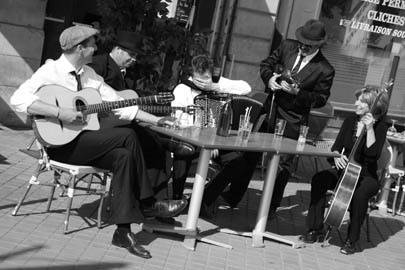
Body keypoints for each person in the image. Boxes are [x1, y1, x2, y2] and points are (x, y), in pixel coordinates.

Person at [9, 25, 187, 259]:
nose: (96, 49)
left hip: (86, 141)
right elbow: (18, 99)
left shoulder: (90, 76)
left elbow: (121, 106)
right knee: (127, 136)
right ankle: (148, 202)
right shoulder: (50, 71)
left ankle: (122, 232)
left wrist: (157, 120)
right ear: (80, 48)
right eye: (92, 45)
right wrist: (60, 113)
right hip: (61, 146)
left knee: (123, 156)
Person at [201, 19, 335, 214]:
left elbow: (321, 99)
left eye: (308, 45)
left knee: (282, 165)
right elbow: (266, 64)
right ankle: (232, 195)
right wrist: (270, 78)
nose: (303, 47)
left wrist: (298, 93)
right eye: (302, 43)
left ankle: (270, 208)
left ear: (318, 45)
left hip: (293, 120)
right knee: (248, 154)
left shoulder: (325, 68)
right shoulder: (288, 46)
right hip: (270, 110)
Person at [300, 86, 389, 255]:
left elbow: (372, 155)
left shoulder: (380, 127)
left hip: (366, 176)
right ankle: (315, 228)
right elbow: (335, 148)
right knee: (319, 179)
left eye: (361, 101)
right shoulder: (350, 121)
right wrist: (335, 157)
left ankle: (351, 240)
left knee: (360, 195)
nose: (356, 103)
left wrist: (369, 129)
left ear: (372, 105)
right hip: (344, 171)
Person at [88, 31, 171, 204]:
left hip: (119, 123)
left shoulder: (126, 73)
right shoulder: (98, 64)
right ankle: (153, 202)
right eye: (131, 54)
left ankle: (157, 199)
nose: (134, 59)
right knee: (152, 143)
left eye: (136, 56)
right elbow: (90, 97)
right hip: (98, 127)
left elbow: (126, 103)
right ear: (118, 49)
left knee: (156, 142)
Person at [170, 54, 251, 200]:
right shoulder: (183, 89)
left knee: (238, 162)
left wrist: (215, 86)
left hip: (215, 141)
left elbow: (246, 87)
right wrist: (205, 142)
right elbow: (180, 121)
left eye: (206, 78)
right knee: (183, 153)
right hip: (190, 140)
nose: (202, 84)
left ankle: (206, 199)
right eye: (198, 79)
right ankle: (176, 198)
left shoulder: (216, 84)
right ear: (192, 74)